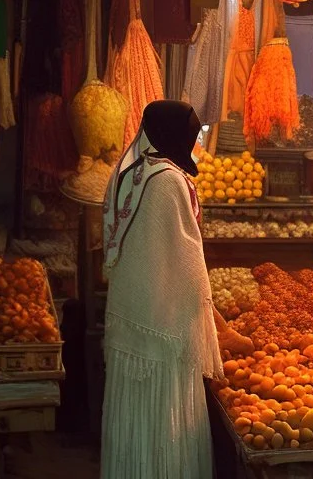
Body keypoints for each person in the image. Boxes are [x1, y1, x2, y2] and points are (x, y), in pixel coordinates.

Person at [100, 100, 227, 478]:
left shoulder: (132, 171)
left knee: (136, 422)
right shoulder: (168, 180)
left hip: (135, 320)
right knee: (164, 423)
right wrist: (216, 325)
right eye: (191, 132)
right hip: (165, 330)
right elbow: (188, 265)